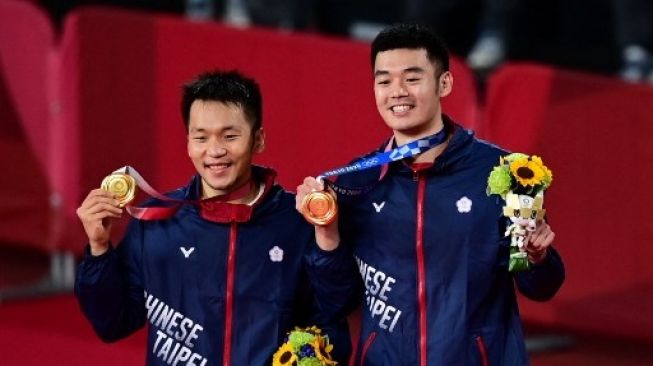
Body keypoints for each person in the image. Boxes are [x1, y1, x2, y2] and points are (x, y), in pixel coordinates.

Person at [296, 23, 565, 365]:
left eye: (412, 78)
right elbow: (336, 301)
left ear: (445, 83)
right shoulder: (358, 182)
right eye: (384, 81)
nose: (397, 92)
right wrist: (326, 233)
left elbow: (541, 287)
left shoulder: (506, 174)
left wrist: (537, 258)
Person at [75, 70, 359, 366]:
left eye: (230, 136)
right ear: (188, 143)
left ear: (258, 139)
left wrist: (314, 358)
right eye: (201, 137)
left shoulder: (296, 221)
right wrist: (98, 250)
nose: (215, 151)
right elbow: (113, 323)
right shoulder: (157, 221)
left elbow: (335, 314)